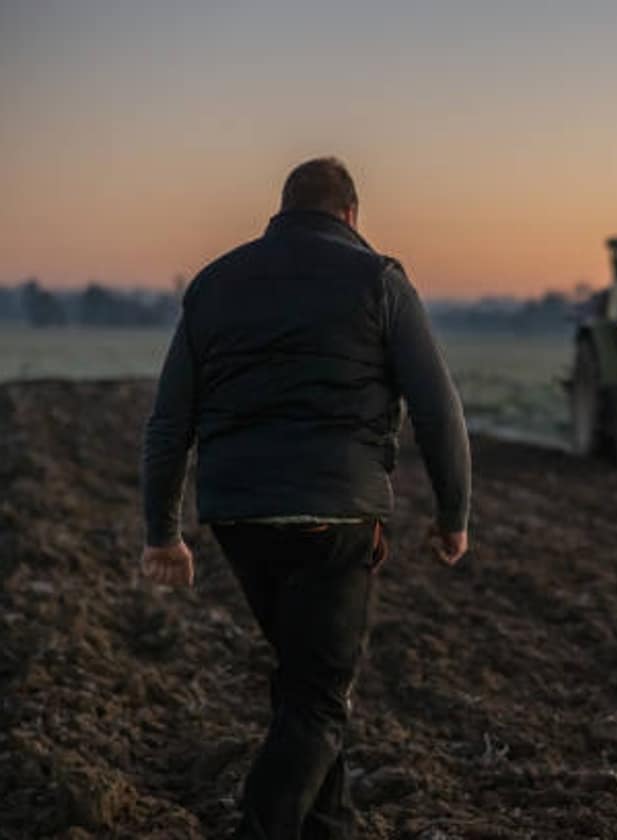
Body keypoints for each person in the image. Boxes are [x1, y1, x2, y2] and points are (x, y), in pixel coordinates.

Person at [140, 157, 471, 839]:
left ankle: (332, 827)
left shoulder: (213, 283)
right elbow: (438, 411)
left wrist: (162, 532)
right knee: (320, 700)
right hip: (335, 516)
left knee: (306, 681)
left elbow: (170, 420)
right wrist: (453, 516)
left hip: (238, 516)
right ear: (350, 214)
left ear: (283, 209)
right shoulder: (380, 280)